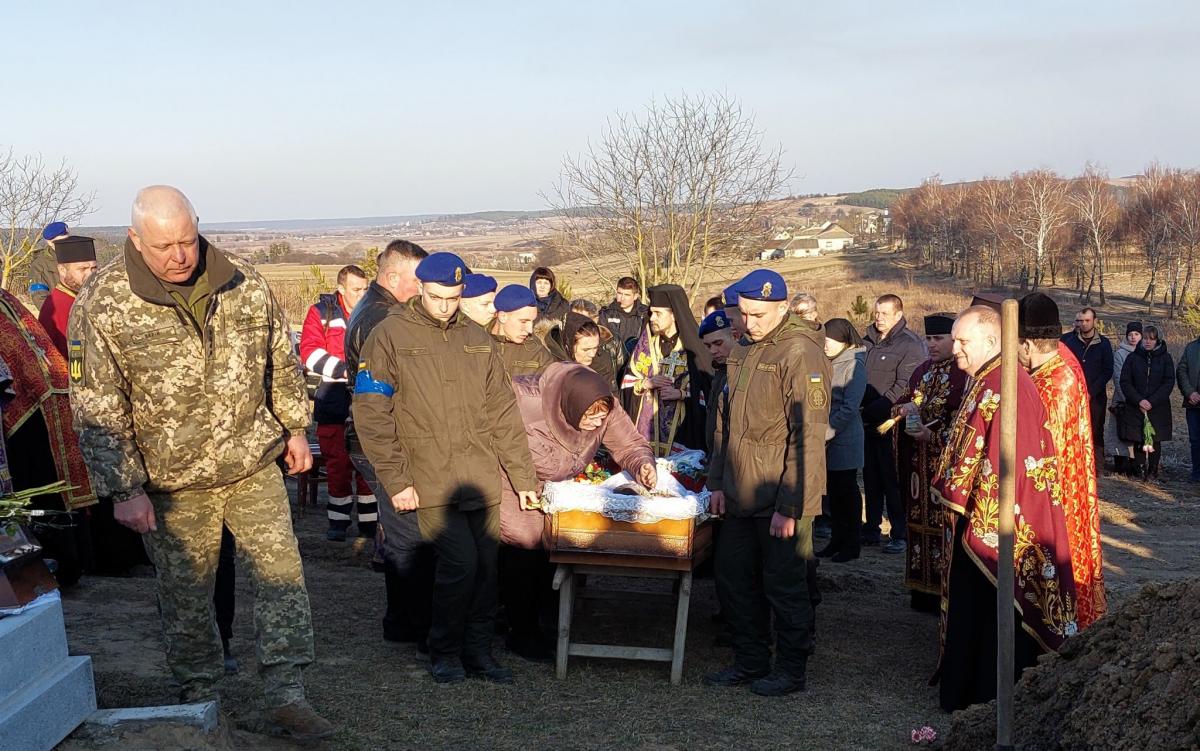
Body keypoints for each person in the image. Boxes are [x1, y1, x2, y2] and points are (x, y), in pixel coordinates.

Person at [68, 186, 332, 740]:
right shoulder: (104, 301)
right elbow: (97, 405)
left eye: (187, 241)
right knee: (187, 596)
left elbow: (279, 361)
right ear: (135, 239)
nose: (179, 256)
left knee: (282, 577)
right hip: (172, 483)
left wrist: (295, 427)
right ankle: (200, 699)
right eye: (163, 246)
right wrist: (124, 488)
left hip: (251, 464)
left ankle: (286, 695)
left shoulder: (242, 282)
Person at [352, 252, 538, 685]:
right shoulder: (389, 336)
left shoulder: (476, 337)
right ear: (420, 288)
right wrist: (396, 479)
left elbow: (502, 413)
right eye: (436, 297)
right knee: (459, 566)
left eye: (453, 298)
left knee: (487, 570)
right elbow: (372, 413)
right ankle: (445, 651)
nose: (445, 306)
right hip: (429, 476)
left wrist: (523, 478)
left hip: (480, 475)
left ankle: (479, 652)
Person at [933, 306, 1077, 713]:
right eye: (955, 341)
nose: (955, 350)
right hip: (978, 511)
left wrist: (960, 494)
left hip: (998, 520)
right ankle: (967, 689)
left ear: (992, 341)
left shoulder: (1004, 385)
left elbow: (1003, 460)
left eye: (963, 342)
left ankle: (984, 694)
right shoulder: (985, 380)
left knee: (992, 605)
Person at [705, 269, 830, 697]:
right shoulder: (742, 350)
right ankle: (750, 660)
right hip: (739, 491)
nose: (749, 323)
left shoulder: (800, 352)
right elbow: (723, 426)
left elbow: (808, 436)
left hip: (779, 495)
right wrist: (717, 482)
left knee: (785, 584)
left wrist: (790, 507)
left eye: (758, 315)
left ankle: (791, 669)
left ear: (782, 308)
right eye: (743, 314)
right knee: (733, 577)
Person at [499, 363, 656, 660]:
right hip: (515, 485)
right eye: (589, 416)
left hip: (558, 489)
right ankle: (520, 631)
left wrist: (642, 464)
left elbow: (629, 444)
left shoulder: (604, 407)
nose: (596, 423)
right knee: (524, 551)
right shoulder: (525, 400)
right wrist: (521, 483)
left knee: (555, 551)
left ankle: (548, 622)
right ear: (571, 405)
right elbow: (491, 434)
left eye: (601, 417)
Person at [343, 240, 437, 651]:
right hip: (384, 438)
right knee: (408, 534)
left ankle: (403, 620)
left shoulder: (373, 309)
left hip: (375, 436)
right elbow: (384, 393)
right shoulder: (384, 320)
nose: (422, 290)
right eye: (418, 281)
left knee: (400, 530)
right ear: (393, 276)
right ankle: (410, 623)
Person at [1018, 293, 1106, 630]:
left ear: (1027, 345)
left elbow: (1037, 453)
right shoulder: (1055, 370)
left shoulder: (1053, 385)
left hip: (1058, 502)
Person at [1, 288, 96, 587]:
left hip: (40, 408)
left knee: (46, 487)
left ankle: (62, 563)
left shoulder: (7, 300)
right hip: (18, 414)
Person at [890, 313, 967, 609]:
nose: (932, 344)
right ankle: (920, 590)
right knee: (916, 520)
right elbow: (907, 400)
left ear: (953, 340)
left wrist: (932, 436)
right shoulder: (922, 371)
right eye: (929, 338)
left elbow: (963, 424)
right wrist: (902, 410)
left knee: (943, 525)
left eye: (939, 338)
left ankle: (943, 592)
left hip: (944, 466)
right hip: (916, 467)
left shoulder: (962, 374)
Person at [299, 264, 375, 541]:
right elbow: (309, 352)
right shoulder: (321, 313)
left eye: (365, 289)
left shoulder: (373, 312)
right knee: (337, 462)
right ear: (341, 289)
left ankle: (369, 522)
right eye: (356, 289)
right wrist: (347, 371)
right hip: (333, 395)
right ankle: (338, 522)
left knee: (368, 460)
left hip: (367, 396)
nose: (362, 294)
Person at [860, 294, 927, 552]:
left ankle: (900, 532)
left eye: (884, 314)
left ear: (898, 315)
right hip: (866, 420)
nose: (879, 318)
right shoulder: (867, 342)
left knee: (893, 479)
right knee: (870, 477)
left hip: (892, 423)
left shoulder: (910, 345)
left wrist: (875, 409)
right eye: (876, 313)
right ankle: (871, 528)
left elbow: (904, 385)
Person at [622, 284, 713, 455]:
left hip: (683, 433)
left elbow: (708, 391)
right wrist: (645, 383)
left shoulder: (694, 348)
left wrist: (682, 394)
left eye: (658, 313)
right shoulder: (645, 347)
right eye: (651, 313)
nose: (652, 318)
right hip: (646, 434)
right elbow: (627, 382)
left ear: (674, 315)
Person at [817, 318, 867, 564]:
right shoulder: (826, 361)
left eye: (830, 340)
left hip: (844, 437)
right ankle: (837, 540)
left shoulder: (854, 364)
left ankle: (851, 543)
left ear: (844, 341)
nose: (825, 345)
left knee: (846, 491)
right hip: (825, 437)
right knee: (833, 493)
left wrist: (826, 431)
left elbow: (849, 407)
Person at [1120, 325, 1174, 481]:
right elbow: (1125, 381)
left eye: (1151, 339)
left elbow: (1168, 382)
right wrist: (1139, 400)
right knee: (1138, 438)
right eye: (1145, 338)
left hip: (1158, 407)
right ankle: (1139, 469)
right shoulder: (1133, 358)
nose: (1148, 342)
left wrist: (1152, 401)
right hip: (1136, 405)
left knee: (1155, 439)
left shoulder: (1165, 358)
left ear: (1157, 340)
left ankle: (1153, 470)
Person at [1061, 307, 1113, 468]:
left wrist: (1091, 391)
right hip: (1072, 394)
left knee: (1096, 430)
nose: (1083, 324)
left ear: (1094, 321)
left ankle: (1097, 465)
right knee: (1073, 428)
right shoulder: (1069, 342)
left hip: (1095, 396)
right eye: (1080, 320)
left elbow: (1107, 370)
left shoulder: (1104, 344)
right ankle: (1075, 463)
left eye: (1087, 320)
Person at [37, 235, 98, 357]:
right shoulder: (57, 307)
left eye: (94, 268)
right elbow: (73, 354)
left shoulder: (87, 296)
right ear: (62, 270)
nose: (90, 274)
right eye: (82, 269)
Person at [490, 285, 560, 382]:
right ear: (502, 317)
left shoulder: (538, 354)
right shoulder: (477, 343)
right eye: (523, 321)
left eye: (532, 321)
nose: (530, 330)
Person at [1108, 322, 1143, 475]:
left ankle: (1136, 464)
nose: (1133, 337)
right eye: (1130, 334)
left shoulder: (1145, 352)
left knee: (1136, 433)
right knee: (1119, 432)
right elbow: (1118, 377)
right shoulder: (1120, 353)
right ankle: (1120, 464)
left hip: (1140, 400)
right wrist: (1128, 398)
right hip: (1122, 399)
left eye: (1136, 334)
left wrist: (1140, 400)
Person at [599, 276, 648, 361]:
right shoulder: (606, 315)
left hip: (639, 361)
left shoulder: (645, 314)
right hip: (613, 361)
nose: (622, 298)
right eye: (619, 293)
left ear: (635, 296)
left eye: (627, 295)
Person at [27, 222, 69, 309]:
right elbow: (39, 297)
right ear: (49, 242)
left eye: (67, 240)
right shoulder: (39, 265)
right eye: (60, 242)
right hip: (59, 311)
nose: (65, 245)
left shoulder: (79, 257)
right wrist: (58, 314)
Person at [1179, 329, 1200, 483]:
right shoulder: (1191, 347)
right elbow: (1182, 371)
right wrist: (1189, 392)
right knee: (1195, 440)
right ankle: (1197, 472)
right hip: (1193, 403)